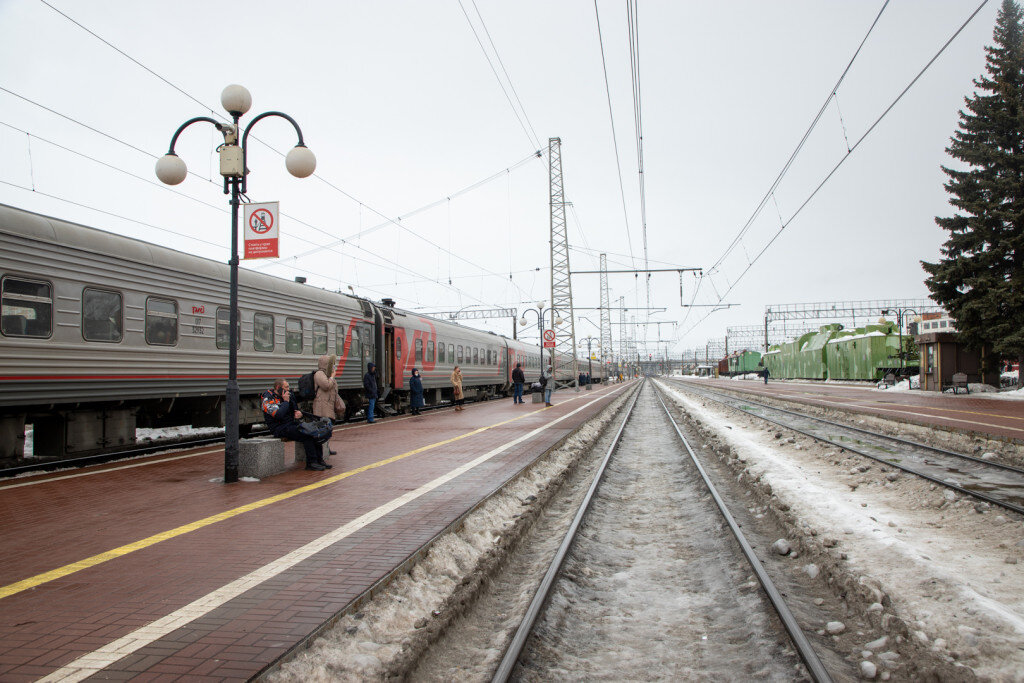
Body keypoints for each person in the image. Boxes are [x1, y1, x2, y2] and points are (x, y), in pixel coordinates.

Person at [261, 378, 331, 471]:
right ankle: (311, 463)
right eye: (286, 387)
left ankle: (319, 460)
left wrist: (300, 414)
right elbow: (278, 414)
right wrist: (286, 401)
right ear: (278, 387)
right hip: (279, 428)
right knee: (307, 434)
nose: (288, 389)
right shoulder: (268, 398)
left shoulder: (288, 395)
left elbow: (295, 410)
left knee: (314, 433)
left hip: (291, 424)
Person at [313, 354, 340, 457]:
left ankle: (327, 448)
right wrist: (332, 377)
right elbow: (326, 385)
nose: (333, 366)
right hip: (322, 406)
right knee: (323, 428)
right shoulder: (319, 374)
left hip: (328, 405)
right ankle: (322, 451)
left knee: (328, 428)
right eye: (331, 364)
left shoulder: (327, 374)